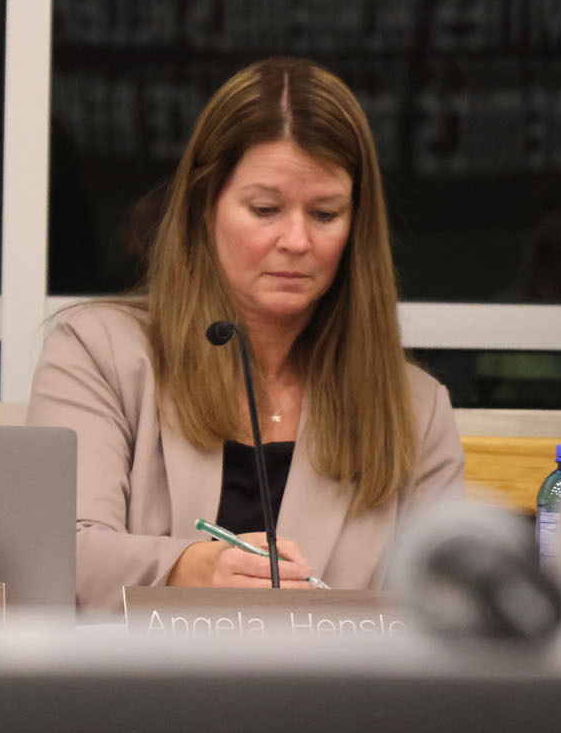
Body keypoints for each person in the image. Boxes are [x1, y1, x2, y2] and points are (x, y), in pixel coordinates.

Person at [26, 57, 465, 615]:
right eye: (265, 209)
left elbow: (442, 615)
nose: (297, 239)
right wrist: (187, 569)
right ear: (204, 207)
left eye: (326, 214)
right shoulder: (98, 352)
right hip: (134, 698)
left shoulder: (416, 408)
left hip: (333, 702)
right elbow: (57, 553)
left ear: (357, 228)